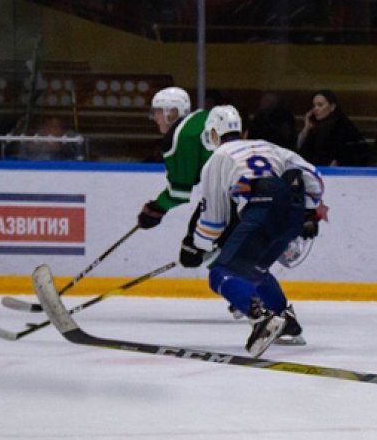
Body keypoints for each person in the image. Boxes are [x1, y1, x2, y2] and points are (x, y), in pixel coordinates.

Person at [179, 105, 326, 357]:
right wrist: (309, 208)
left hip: (260, 209)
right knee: (254, 269)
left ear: (213, 134)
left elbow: (214, 220)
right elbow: (314, 178)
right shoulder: (268, 147)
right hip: (292, 213)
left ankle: (260, 317)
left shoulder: (217, 159)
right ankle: (286, 322)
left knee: (219, 273)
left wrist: (200, 246)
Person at [136, 87, 211, 231]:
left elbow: (179, 193)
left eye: (157, 112)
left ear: (172, 112)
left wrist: (156, 209)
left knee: (193, 248)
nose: (155, 118)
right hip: (242, 190)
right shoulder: (202, 119)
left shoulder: (182, 135)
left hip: (230, 196)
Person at [297, 89, 372, 167]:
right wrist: (306, 128)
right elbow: (301, 153)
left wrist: (339, 163)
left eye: (320, 105)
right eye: (314, 105)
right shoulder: (317, 129)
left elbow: (358, 153)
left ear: (332, 107)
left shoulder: (342, 128)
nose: (315, 109)